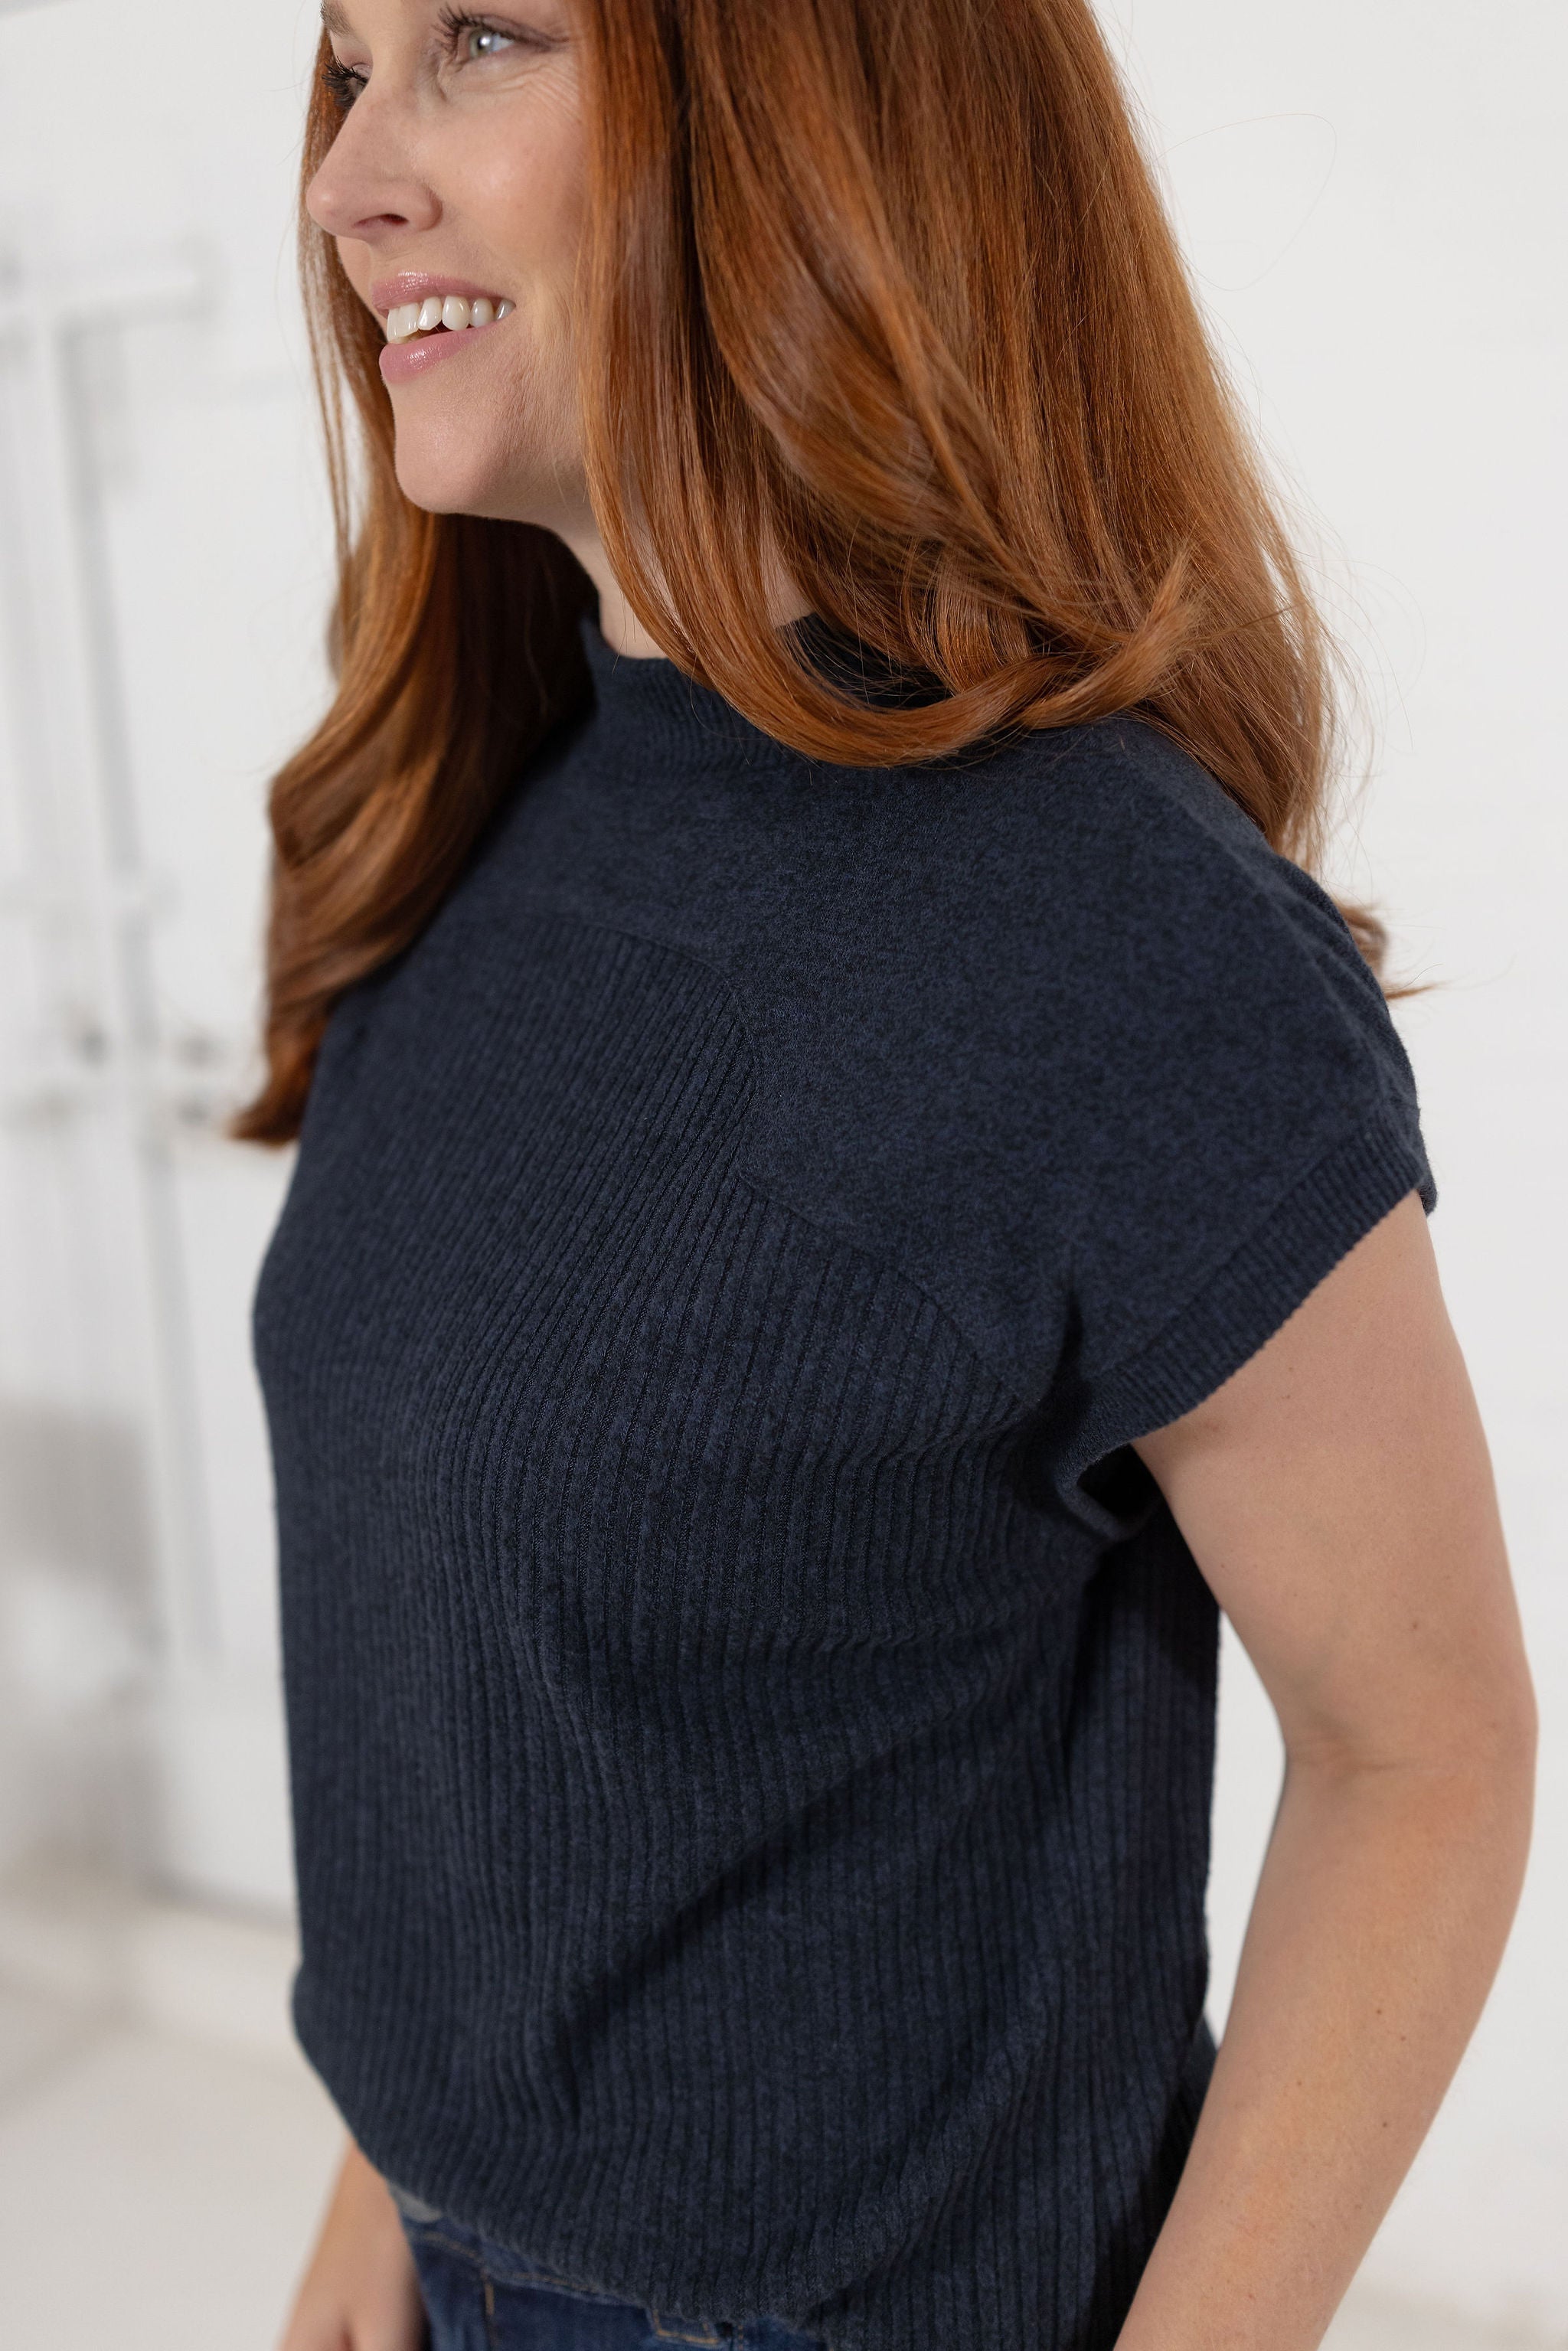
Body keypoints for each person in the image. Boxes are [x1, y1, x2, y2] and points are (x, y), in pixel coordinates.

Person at [247, 4, 1537, 2348]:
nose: (347, 183)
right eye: (346, 70)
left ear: (808, 99)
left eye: (481, 41)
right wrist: (395, 2176)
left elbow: (1421, 1748)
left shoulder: (1115, 938)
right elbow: (487, 1661)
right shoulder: (483, 802)